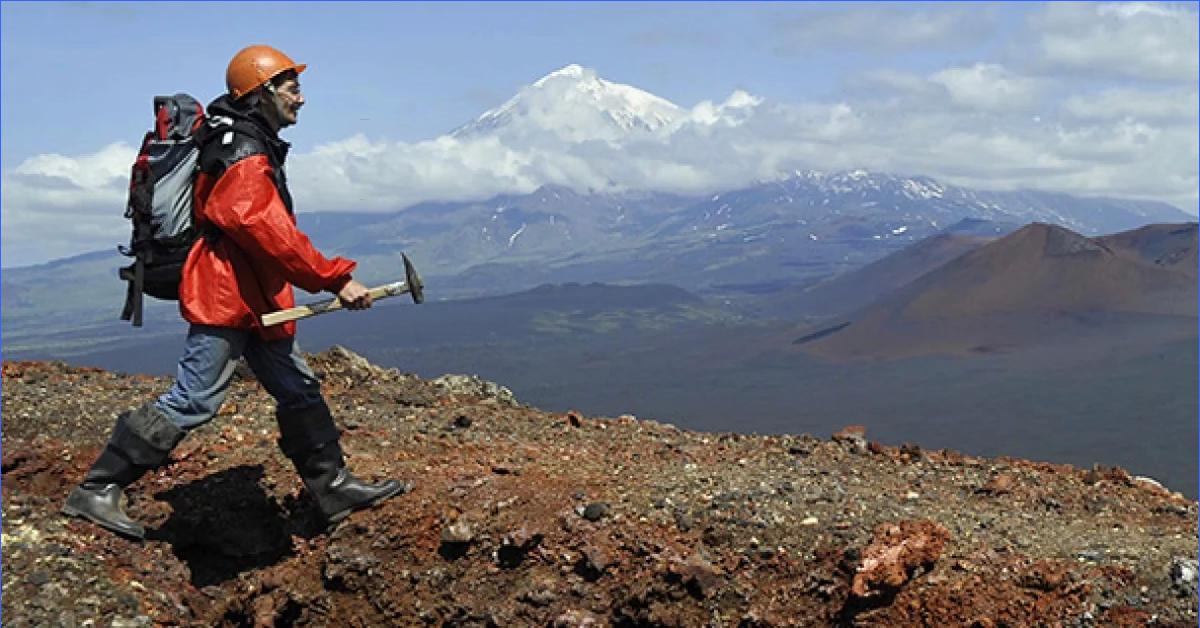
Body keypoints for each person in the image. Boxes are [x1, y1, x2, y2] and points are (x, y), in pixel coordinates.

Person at [62, 45, 408, 540]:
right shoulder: (244, 151)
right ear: (263, 91)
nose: (301, 99)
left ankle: (332, 487)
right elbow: (263, 228)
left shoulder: (244, 140)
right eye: (292, 89)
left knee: (298, 388)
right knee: (193, 400)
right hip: (227, 296)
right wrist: (335, 278)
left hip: (255, 297)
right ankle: (97, 488)